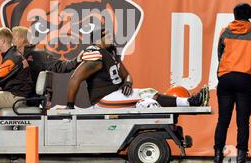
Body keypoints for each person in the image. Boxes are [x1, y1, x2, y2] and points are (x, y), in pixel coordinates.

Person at [64, 27, 209, 109]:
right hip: (104, 99)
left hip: (116, 94)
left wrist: (127, 82)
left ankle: (190, 102)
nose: (110, 37)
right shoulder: (95, 54)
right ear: (96, 40)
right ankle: (190, 102)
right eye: (105, 36)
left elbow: (127, 75)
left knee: (149, 92)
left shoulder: (110, 54)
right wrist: (70, 105)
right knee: (148, 103)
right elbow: (75, 79)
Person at [213, 3, 251, 163]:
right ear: (249, 14)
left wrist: (223, 73)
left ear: (234, 15)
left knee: (223, 120)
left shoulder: (225, 32)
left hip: (226, 78)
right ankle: (241, 161)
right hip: (246, 79)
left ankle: (217, 158)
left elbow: (220, 55)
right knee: (243, 122)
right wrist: (250, 75)